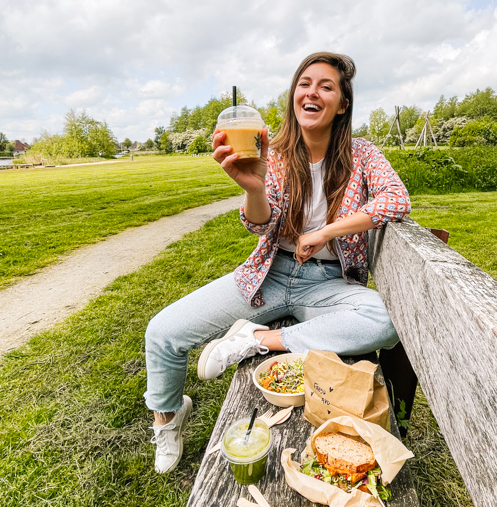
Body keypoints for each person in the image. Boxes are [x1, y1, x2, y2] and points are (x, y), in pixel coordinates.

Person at [145, 52, 411, 472]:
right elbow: (257, 224)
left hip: (327, 282)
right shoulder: (276, 153)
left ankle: (253, 339)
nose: (312, 92)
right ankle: (169, 416)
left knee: (382, 321)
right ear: (294, 95)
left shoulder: (363, 154)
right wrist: (252, 188)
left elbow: (396, 200)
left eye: (326, 86)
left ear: (342, 104)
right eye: (305, 83)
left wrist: (325, 232)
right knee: (162, 332)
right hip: (269, 274)